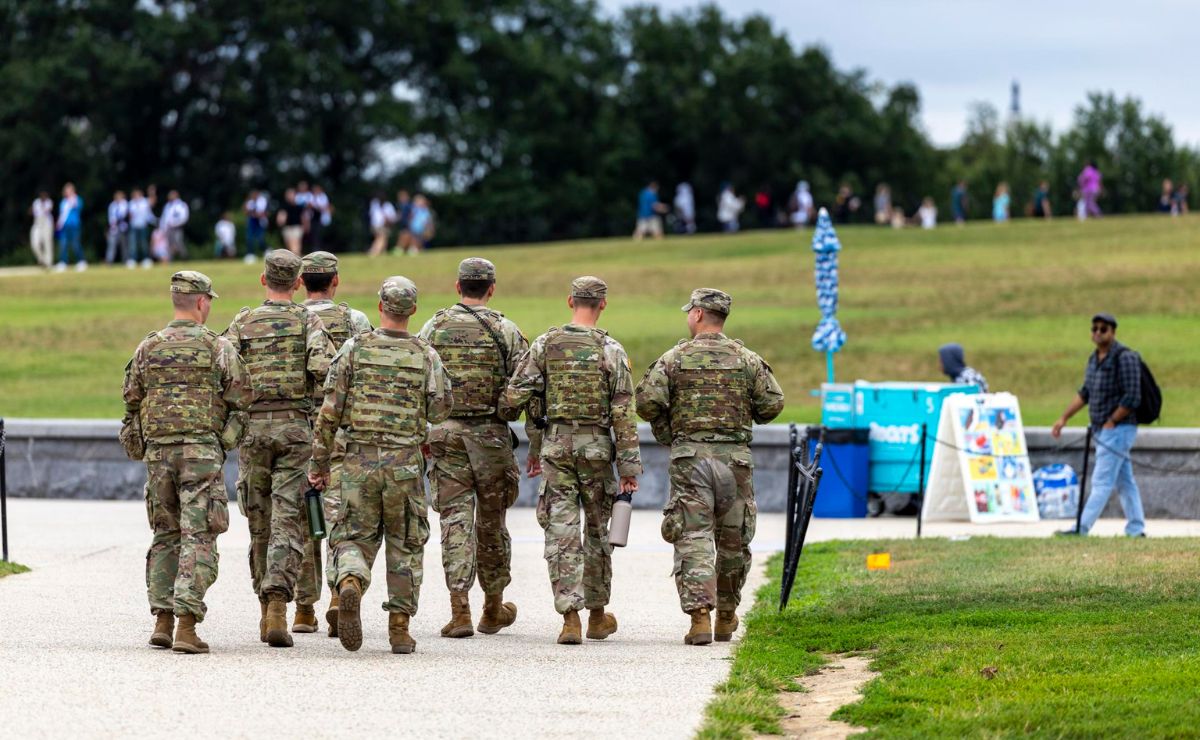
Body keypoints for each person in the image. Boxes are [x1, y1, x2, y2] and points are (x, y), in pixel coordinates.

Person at [309, 276, 453, 654]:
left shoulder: (354, 348)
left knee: (353, 535)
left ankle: (352, 581)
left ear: (380, 307)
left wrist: (319, 463)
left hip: (358, 462)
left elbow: (329, 412)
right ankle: (400, 627)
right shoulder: (425, 354)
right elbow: (440, 410)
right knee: (405, 544)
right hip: (404, 464)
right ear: (413, 311)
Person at [635, 289, 784, 645]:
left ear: (699, 315)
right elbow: (771, 406)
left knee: (694, 536)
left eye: (690, 312)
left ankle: (700, 617)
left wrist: (668, 432)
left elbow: (646, 403)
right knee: (733, 540)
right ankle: (727, 614)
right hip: (734, 461)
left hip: (690, 461)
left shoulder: (674, 358)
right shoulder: (747, 360)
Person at [499, 276, 641, 645]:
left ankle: (570, 619)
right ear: (603, 305)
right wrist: (629, 468)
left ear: (570, 301)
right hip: (596, 447)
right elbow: (624, 413)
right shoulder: (612, 350)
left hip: (557, 446)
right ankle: (597, 616)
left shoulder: (546, 344)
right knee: (597, 531)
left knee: (561, 532)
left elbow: (516, 395)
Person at [120, 271, 253, 653]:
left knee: (165, 535)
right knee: (199, 535)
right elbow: (242, 402)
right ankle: (186, 626)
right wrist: (222, 442)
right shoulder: (218, 348)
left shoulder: (149, 347)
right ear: (200, 302)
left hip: (159, 455)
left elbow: (131, 399)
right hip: (200, 455)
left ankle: (162, 620)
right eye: (209, 299)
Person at [418, 258, 536, 640]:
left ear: (458, 287)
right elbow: (527, 382)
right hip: (491, 437)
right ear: (491, 288)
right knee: (492, 523)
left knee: (454, 522)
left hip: (446, 435)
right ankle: (492, 607)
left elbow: (419, 380)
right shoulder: (506, 329)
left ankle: (459, 610)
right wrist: (507, 410)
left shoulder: (433, 327)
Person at [223, 250, 334, 648]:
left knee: (259, 522)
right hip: (295, 429)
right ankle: (277, 604)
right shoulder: (308, 321)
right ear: (298, 282)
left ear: (263, 279)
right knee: (289, 519)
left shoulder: (243, 321)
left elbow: (224, 371)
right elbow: (326, 372)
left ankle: (263, 604)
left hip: (253, 429)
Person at [294, 250, 373, 636]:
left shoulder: (290, 320)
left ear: (299, 282)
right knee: (341, 514)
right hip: (341, 432)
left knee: (303, 517)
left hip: (297, 430)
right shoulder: (354, 321)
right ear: (335, 280)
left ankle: (302, 608)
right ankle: (339, 593)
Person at [1052, 313, 1146, 537]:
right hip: (1102, 429)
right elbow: (1085, 393)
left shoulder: (1125, 358)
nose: (1097, 333)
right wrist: (1064, 418)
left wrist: (1112, 421)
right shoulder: (1094, 359)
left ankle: (1080, 528)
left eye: (1103, 329)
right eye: (1094, 329)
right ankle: (1136, 528)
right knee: (1125, 481)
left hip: (1118, 429)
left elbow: (1133, 397)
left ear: (1113, 332)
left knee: (1101, 481)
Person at [55, 182, 86, 272]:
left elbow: (79, 207)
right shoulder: (63, 202)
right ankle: (63, 262)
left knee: (75, 244)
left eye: (69, 190)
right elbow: (61, 214)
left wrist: (73, 198)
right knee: (63, 245)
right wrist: (58, 224)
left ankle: (81, 261)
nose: (67, 192)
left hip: (74, 226)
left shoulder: (76, 199)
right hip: (64, 226)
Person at [129, 188, 155, 268]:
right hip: (134, 226)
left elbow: (152, 202)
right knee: (133, 244)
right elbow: (130, 215)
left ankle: (146, 259)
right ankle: (133, 259)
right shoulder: (131, 203)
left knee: (144, 243)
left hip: (143, 225)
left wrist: (151, 193)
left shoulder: (144, 201)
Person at [161, 190, 190, 261]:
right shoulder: (167, 206)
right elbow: (164, 218)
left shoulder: (181, 205)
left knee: (178, 243)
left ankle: (184, 257)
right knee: (169, 245)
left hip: (177, 227)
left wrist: (175, 223)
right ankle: (171, 260)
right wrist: (163, 228)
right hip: (169, 228)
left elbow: (184, 217)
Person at [29, 191, 54, 268]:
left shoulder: (49, 202)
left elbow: (48, 210)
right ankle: (42, 259)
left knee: (47, 243)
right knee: (35, 243)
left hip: (47, 223)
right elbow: (31, 212)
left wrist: (42, 207)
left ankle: (49, 263)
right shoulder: (36, 202)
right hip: (37, 223)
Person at [276, 188, 306, 255]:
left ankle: (297, 259)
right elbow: (280, 217)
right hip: (287, 228)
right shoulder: (283, 206)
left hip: (297, 227)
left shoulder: (299, 206)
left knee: (295, 245)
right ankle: (295, 260)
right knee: (289, 247)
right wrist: (280, 221)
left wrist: (305, 225)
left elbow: (303, 217)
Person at [105, 191, 131, 266]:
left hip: (123, 228)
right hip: (114, 228)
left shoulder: (125, 204)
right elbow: (111, 217)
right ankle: (109, 261)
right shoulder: (112, 205)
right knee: (112, 245)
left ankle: (126, 261)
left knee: (124, 245)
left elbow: (125, 215)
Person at [244, 190, 269, 263]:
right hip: (252, 222)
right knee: (249, 238)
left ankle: (266, 250)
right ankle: (250, 254)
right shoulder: (250, 202)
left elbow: (261, 213)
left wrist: (253, 213)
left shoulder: (262, 201)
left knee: (260, 238)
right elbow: (246, 212)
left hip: (260, 222)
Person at [309, 184, 332, 249]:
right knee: (315, 234)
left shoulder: (323, 196)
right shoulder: (311, 196)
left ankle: (322, 247)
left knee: (321, 234)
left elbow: (325, 207)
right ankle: (316, 247)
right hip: (314, 217)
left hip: (322, 218)